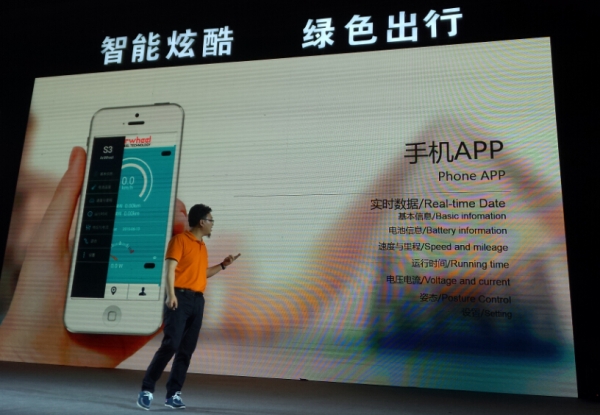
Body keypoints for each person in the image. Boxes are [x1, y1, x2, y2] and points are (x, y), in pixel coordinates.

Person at [137, 204, 240, 410]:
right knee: (171, 344)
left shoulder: (202, 246)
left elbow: (202, 274)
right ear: (201, 222)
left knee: (186, 350)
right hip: (179, 297)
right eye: (210, 220)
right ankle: (147, 389)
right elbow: (170, 269)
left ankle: (173, 394)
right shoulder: (180, 240)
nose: (212, 224)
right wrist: (171, 294)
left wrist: (222, 265)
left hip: (197, 301)